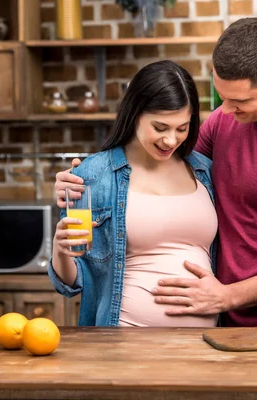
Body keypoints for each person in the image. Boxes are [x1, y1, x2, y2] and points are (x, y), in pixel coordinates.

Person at [57, 18, 257, 327]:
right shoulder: (225, 122)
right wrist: (81, 180)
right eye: (221, 97)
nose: (225, 111)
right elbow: (161, 168)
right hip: (226, 326)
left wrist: (228, 296)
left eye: (239, 101)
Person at [49, 60, 219, 327]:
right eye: (160, 128)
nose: (171, 140)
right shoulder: (92, 176)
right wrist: (61, 252)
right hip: (126, 344)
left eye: (182, 128)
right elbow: (72, 285)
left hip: (204, 348)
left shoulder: (205, 172)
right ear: (135, 114)